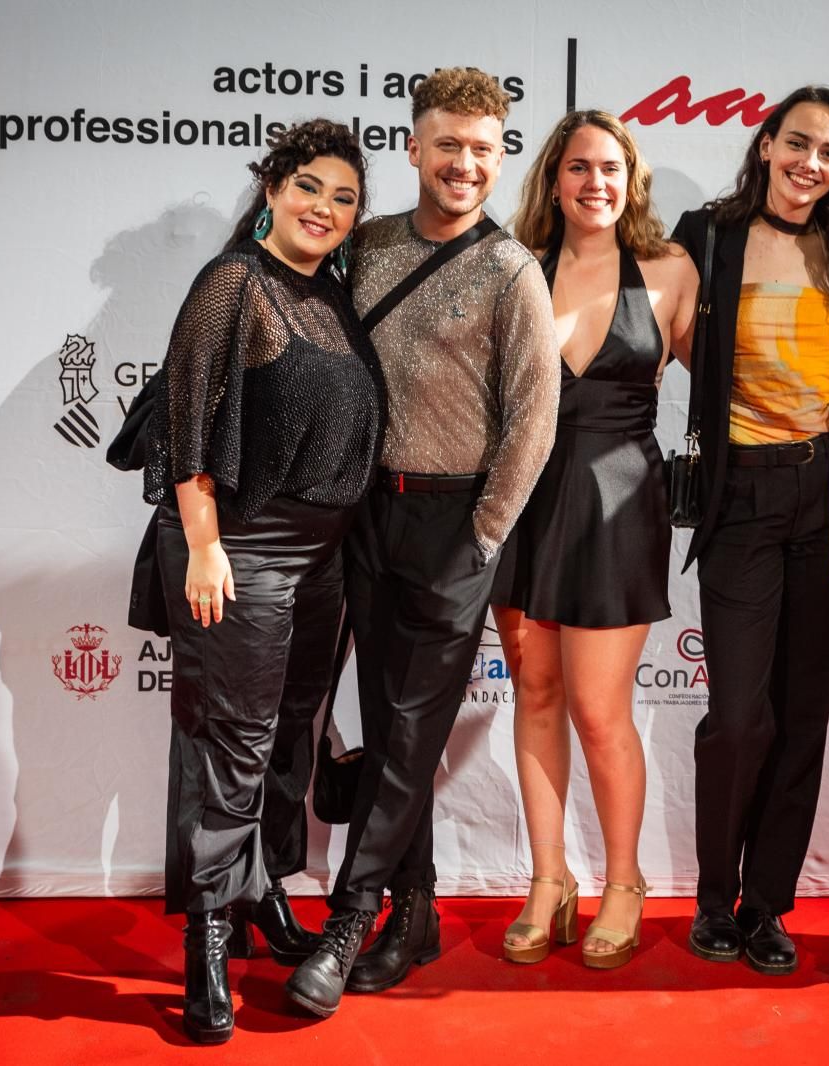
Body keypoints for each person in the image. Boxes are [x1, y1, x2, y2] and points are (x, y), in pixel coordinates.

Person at [286, 68, 558, 1017]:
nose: (465, 164)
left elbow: (533, 422)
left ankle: (351, 914)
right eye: (448, 144)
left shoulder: (512, 270)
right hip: (363, 516)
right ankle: (417, 910)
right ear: (413, 147)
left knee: (408, 733)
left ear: (499, 157)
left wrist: (484, 535)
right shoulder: (365, 245)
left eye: (483, 148)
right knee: (387, 723)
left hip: (454, 525)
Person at [139, 119, 383, 1043]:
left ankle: (262, 895)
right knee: (232, 745)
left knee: (289, 738)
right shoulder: (232, 285)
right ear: (274, 187)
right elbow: (189, 427)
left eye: (345, 198)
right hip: (240, 544)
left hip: (325, 557)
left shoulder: (340, 297)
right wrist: (204, 545)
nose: (325, 208)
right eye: (311, 187)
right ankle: (205, 940)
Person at [669, 85, 829, 975]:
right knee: (736, 718)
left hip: (825, 503)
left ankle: (767, 907)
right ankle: (714, 899)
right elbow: (667, 332)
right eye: (798, 143)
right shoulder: (707, 235)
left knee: (801, 719)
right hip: (741, 503)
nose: (812, 163)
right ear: (764, 144)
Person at [489, 110, 697, 969]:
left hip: (620, 506)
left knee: (599, 711)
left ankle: (623, 882)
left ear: (632, 177)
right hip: (523, 502)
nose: (596, 184)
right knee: (534, 694)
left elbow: (725, 389)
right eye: (579, 168)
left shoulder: (670, 270)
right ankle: (549, 881)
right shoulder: (512, 268)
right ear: (554, 179)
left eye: (611, 168)